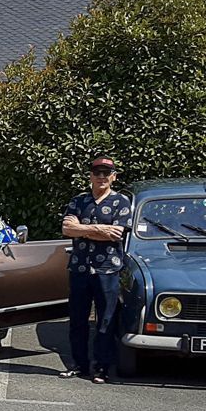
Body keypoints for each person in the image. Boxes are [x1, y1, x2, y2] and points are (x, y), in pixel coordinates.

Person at [61, 156, 133, 384]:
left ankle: (101, 368)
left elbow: (116, 234)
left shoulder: (121, 202)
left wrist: (82, 229)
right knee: (78, 319)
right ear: (90, 176)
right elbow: (67, 229)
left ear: (114, 176)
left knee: (106, 320)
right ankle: (79, 365)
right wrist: (100, 229)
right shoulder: (78, 201)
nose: (101, 177)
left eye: (106, 173)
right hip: (80, 267)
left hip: (107, 269)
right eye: (97, 173)